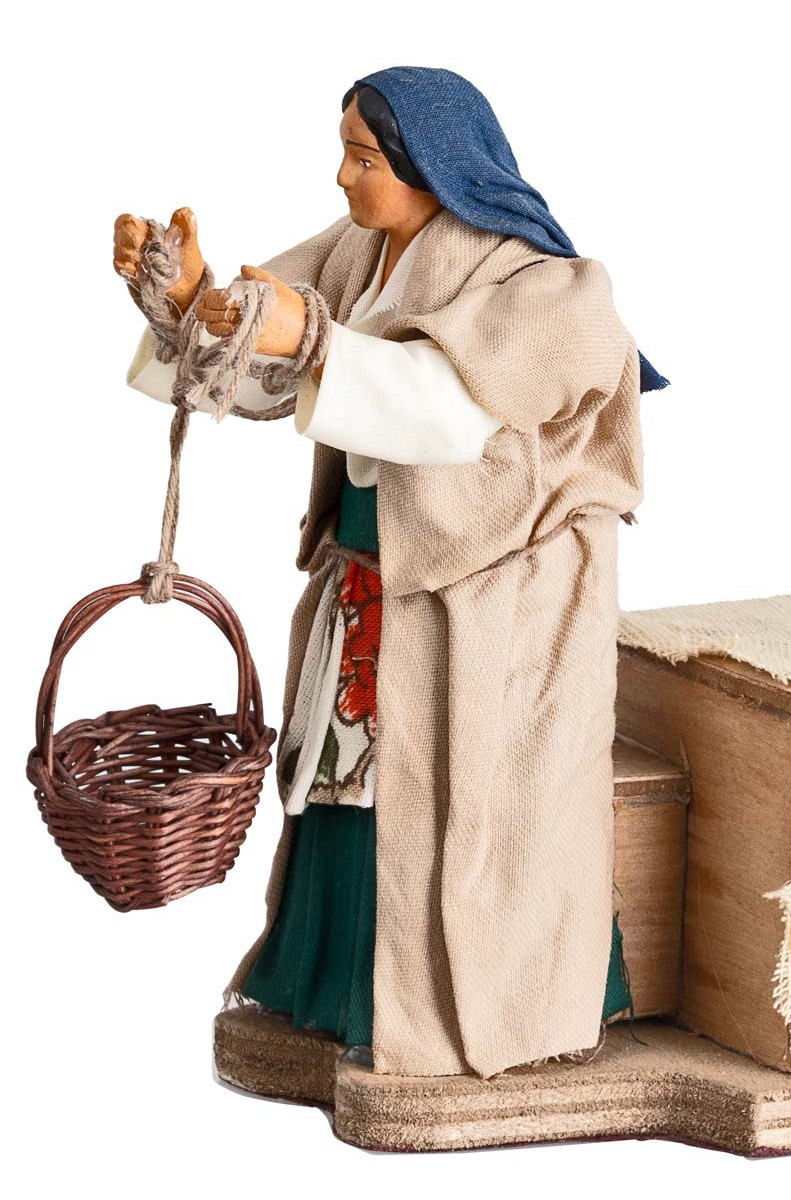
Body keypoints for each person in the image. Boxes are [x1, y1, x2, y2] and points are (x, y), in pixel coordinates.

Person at [113, 66, 664, 1079]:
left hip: (496, 601)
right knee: (351, 786)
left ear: (435, 167)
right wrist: (188, 299)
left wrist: (313, 339)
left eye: (363, 159)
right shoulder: (362, 250)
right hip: (377, 573)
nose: (342, 177)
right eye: (346, 154)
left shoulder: (556, 291)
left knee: (480, 807)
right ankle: (338, 995)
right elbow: (264, 346)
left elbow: (443, 411)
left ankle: (468, 1020)